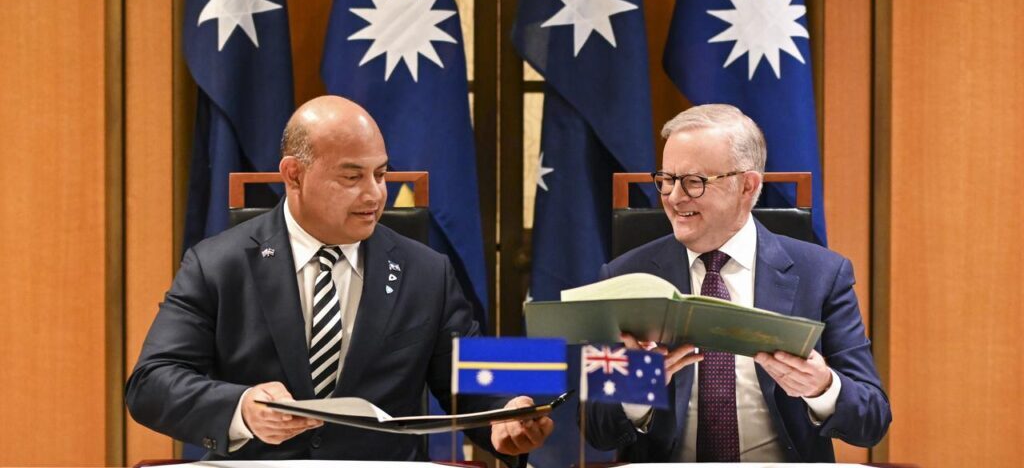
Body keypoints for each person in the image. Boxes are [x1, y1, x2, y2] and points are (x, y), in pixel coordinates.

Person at [126, 95, 553, 465]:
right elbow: (151, 384)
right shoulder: (217, 264)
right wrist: (241, 408)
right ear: (293, 175)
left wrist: (506, 415)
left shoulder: (427, 272)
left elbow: (471, 383)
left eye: (381, 174)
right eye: (352, 178)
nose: (374, 195)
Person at [585, 104, 890, 462]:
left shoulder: (821, 275)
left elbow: (873, 419)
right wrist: (634, 391)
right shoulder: (624, 277)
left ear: (747, 186)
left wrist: (822, 388)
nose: (674, 197)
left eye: (694, 182)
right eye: (667, 179)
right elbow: (596, 430)